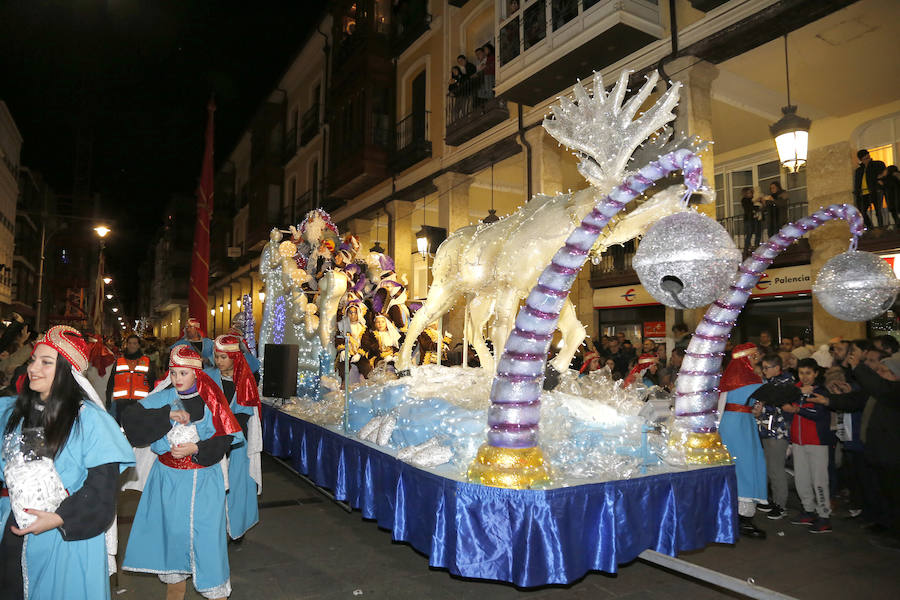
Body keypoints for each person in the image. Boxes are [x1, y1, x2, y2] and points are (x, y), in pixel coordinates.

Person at [0, 325, 134, 599]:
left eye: (46, 362)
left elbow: (101, 489)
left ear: (66, 371)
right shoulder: (15, 412)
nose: (33, 368)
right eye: (33, 360)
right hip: (12, 530)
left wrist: (59, 518)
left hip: (64, 537)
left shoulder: (91, 421)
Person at [121, 345, 243, 600]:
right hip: (167, 482)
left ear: (196, 373)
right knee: (173, 540)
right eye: (173, 372)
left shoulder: (212, 399)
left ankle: (216, 593)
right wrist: (167, 416)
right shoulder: (165, 396)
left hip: (203, 482)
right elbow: (133, 419)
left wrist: (195, 446)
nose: (176, 379)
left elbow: (224, 439)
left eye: (183, 373)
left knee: (207, 541)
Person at [717, 343, 795, 539]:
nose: (756, 360)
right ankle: (743, 518)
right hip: (740, 427)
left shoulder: (730, 379)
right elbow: (776, 395)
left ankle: (732, 513)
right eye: (753, 357)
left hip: (733, 424)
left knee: (735, 467)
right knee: (747, 467)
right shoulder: (746, 379)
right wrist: (799, 389)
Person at [210, 335, 262, 542]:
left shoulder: (244, 381)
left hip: (238, 443)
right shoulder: (208, 377)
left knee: (237, 487)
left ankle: (236, 529)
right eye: (216, 357)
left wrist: (229, 439)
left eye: (223, 357)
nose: (219, 361)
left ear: (234, 357)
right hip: (212, 440)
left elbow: (244, 414)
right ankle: (215, 529)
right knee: (214, 488)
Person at [782, 358, 833, 533]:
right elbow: (781, 401)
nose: (804, 377)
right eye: (801, 373)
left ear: (816, 373)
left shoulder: (821, 392)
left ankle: (824, 516)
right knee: (801, 479)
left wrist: (797, 409)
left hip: (817, 442)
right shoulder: (795, 391)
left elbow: (818, 414)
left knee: (819, 480)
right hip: (798, 441)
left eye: (808, 373)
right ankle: (808, 510)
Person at [757, 354, 794, 520]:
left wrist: (762, 407)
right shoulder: (771, 383)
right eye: (763, 368)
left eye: (766, 368)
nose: (764, 371)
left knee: (776, 470)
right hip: (766, 430)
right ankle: (772, 500)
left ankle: (781, 505)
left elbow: (776, 402)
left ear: (777, 368)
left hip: (777, 432)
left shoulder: (785, 383)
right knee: (769, 468)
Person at [106, 334, 155, 424]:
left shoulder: (147, 361)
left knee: (138, 427)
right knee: (121, 427)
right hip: (121, 403)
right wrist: (108, 400)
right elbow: (111, 382)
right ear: (127, 345)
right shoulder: (118, 362)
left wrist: (151, 401)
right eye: (130, 343)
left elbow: (152, 383)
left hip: (140, 403)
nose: (132, 345)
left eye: (135, 343)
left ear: (139, 345)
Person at [854, 149, 887, 229]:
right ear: (861, 160)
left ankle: (881, 227)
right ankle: (870, 227)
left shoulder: (877, 164)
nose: (867, 160)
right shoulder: (859, 170)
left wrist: (880, 180)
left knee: (878, 210)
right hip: (863, 193)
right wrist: (857, 192)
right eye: (865, 159)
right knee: (861, 211)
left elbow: (883, 174)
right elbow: (857, 182)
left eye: (868, 157)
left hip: (875, 191)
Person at [740, 187, 763, 253]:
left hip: (755, 219)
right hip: (748, 219)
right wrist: (755, 202)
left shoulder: (753, 200)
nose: (751, 194)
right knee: (749, 234)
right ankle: (746, 249)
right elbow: (748, 208)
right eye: (749, 193)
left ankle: (756, 246)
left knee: (758, 232)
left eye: (751, 192)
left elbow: (759, 207)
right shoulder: (744, 200)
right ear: (745, 194)